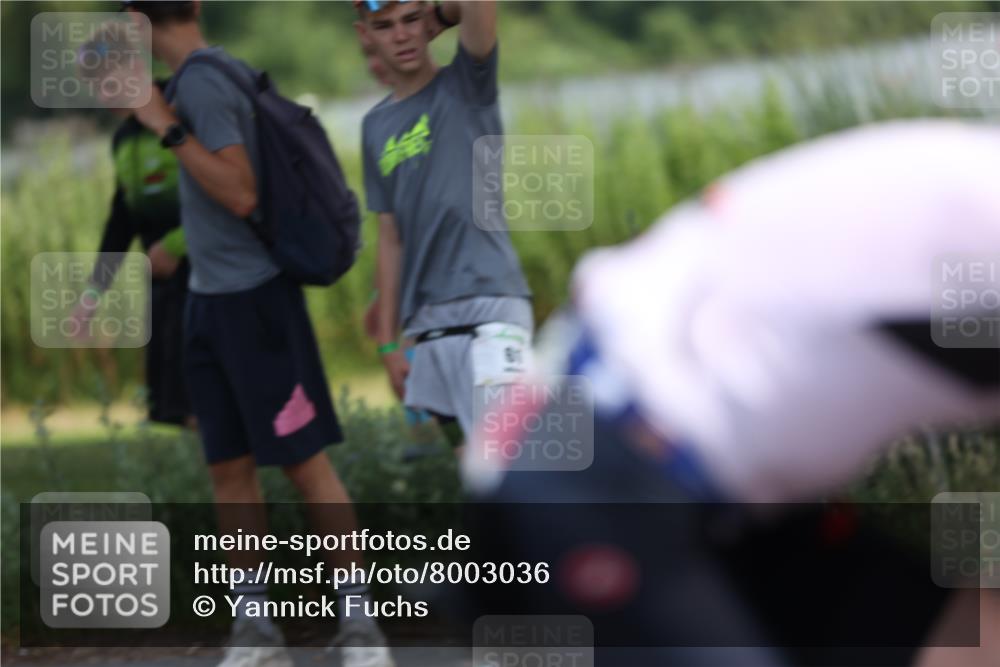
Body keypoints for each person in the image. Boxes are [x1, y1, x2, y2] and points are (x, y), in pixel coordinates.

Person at [464, 120, 1000, 666]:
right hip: (601, 473)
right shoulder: (981, 199)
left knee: (975, 642)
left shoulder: (974, 174)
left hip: (712, 489)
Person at [120, 2, 393, 666]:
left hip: (258, 307)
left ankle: (361, 627)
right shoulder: (190, 81)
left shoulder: (205, 83)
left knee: (304, 464)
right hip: (209, 305)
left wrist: (162, 123)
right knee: (229, 472)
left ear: (136, 18)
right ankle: (255, 629)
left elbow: (240, 192)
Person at [356, 0, 533, 453]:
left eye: (410, 20)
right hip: (428, 328)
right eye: (385, 26)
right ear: (366, 36)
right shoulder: (374, 125)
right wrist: (388, 344)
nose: (401, 35)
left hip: (490, 311)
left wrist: (441, 14)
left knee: (520, 470)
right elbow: (390, 238)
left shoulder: (466, 84)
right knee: (473, 474)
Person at [70, 71, 192, 428]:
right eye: (94, 85)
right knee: (178, 409)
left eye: (107, 80)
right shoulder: (123, 139)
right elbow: (121, 223)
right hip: (163, 291)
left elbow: (227, 192)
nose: (102, 94)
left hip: (209, 281)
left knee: (208, 405)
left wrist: (175, 246)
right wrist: (92, 295)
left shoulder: (184, 109)